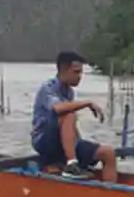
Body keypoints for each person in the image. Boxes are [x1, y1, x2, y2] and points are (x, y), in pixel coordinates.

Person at [30, 51, 118, 181]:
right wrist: (87, 103)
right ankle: (71, 165)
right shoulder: (48, 88)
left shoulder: (69, 92)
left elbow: (69, 127)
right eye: (76, 72)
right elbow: (58, 109)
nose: (79, 76)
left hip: (63, 143)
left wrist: (80, 147)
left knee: (108, 153)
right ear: (63, 71)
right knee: (68, 113)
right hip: (45, 142)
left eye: (81, 72)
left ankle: (110, 191)